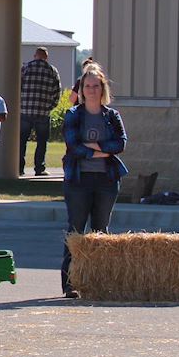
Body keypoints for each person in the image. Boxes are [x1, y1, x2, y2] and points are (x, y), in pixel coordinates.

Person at [59, 66, 128, 299]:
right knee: (76, 230)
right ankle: (70, 283)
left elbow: (120, 143)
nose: (91, 90)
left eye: (96, 86)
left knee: (101, 230)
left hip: (106, 180)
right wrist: (101, 152)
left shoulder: (111, 116)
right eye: (87, 86)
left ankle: (100, 281)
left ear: (102, 89)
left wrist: (93, 149)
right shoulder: (73, 115)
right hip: (79, 180)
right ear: (81, 89)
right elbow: (73, 146)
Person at [19, 47, 63, 177]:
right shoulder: (52, 71)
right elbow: (57, 92)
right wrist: (50, 107)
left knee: (21, 141)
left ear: (35, 56)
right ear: (46, 57)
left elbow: (17, 87)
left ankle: (19, 168)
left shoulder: (25, 68)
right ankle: (39, 168)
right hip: (43, 112)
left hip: (25, 110)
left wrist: (20, 104)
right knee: (42, 142)